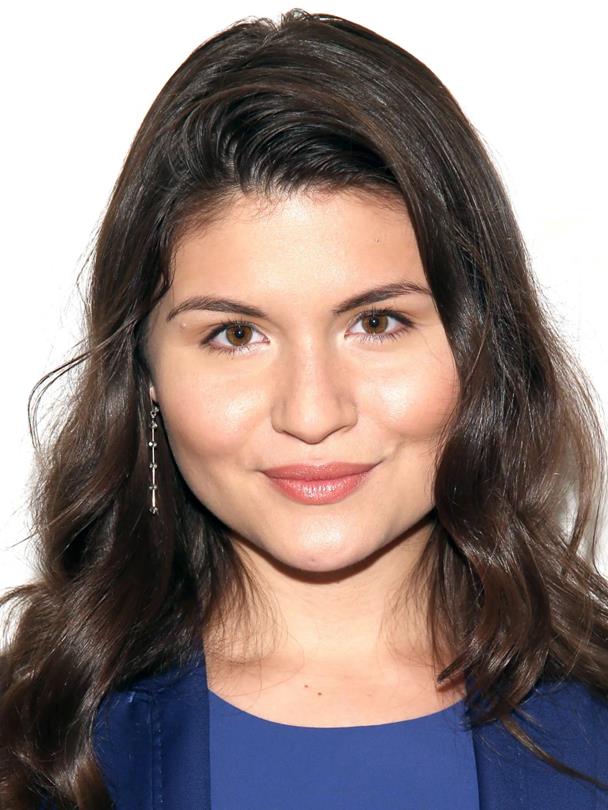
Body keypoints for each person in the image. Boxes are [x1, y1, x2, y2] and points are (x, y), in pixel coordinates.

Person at [1, 8, 608, 809]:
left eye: (377, 323)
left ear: (482, 344)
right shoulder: (30, 743)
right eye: (235, 334)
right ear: (143, 373)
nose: (313, 413)